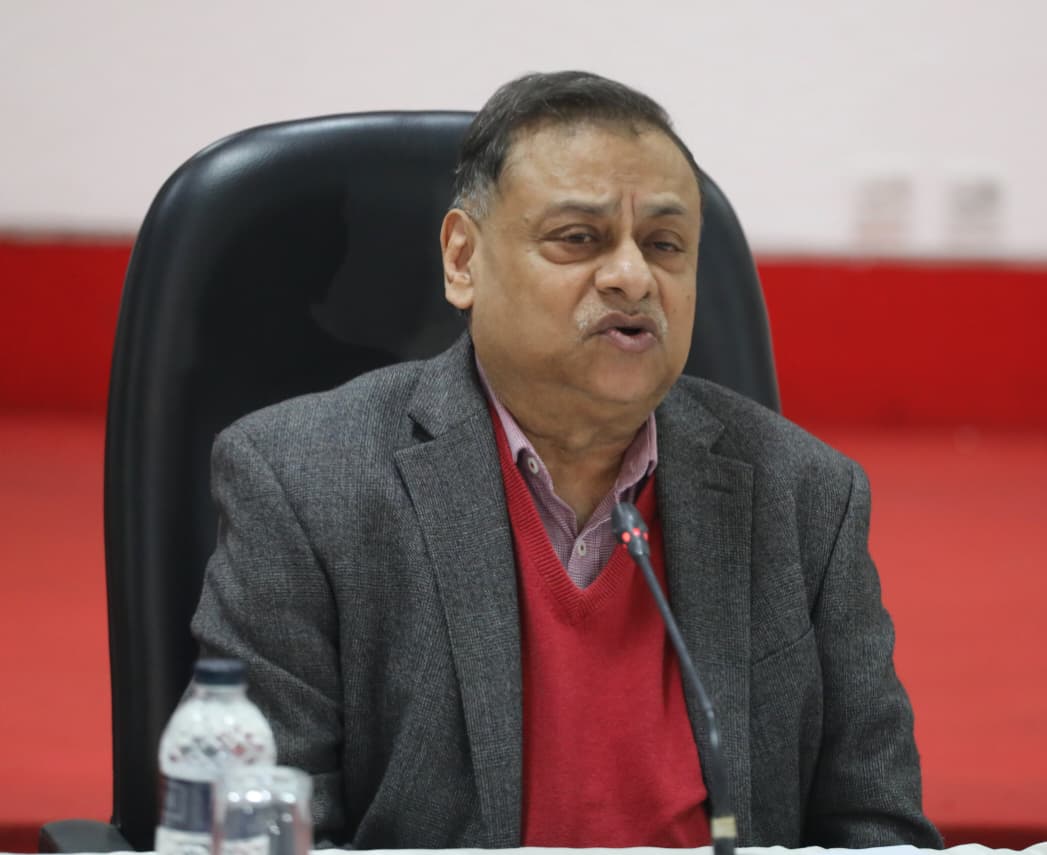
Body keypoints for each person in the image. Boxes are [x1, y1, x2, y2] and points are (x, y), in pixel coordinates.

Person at [192, 70, 942, 850]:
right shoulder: (304, 482)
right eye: (579, 238)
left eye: (665, 245)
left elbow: (880, 832)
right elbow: (256, 834)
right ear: (463, 260)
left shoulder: (804, 496)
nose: (632, 276)